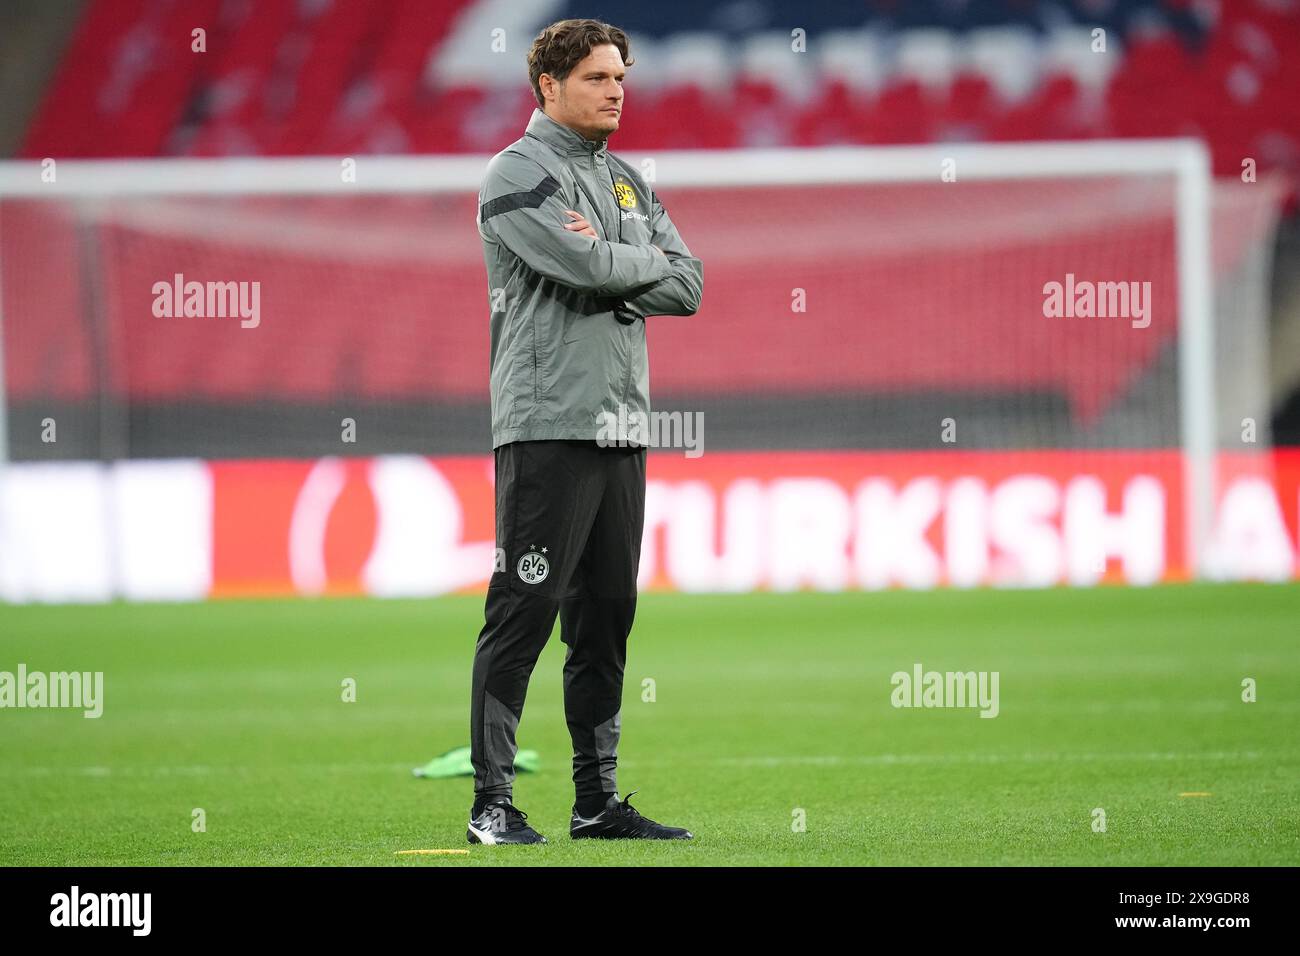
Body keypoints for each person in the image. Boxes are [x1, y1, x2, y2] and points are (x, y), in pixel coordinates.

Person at [467, 17, 704, 844]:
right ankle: (490, 804)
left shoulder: (629, 182)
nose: (616, 92)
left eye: (621, 80)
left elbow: (692, 283)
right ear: (549, 87)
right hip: (546, 426)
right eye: (599, 79)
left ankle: (595, 802)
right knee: (523, 612)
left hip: (619, 426)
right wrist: (632, 268)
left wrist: (618, 265)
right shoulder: (515, 173)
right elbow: (589, 267)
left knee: (606, 615)